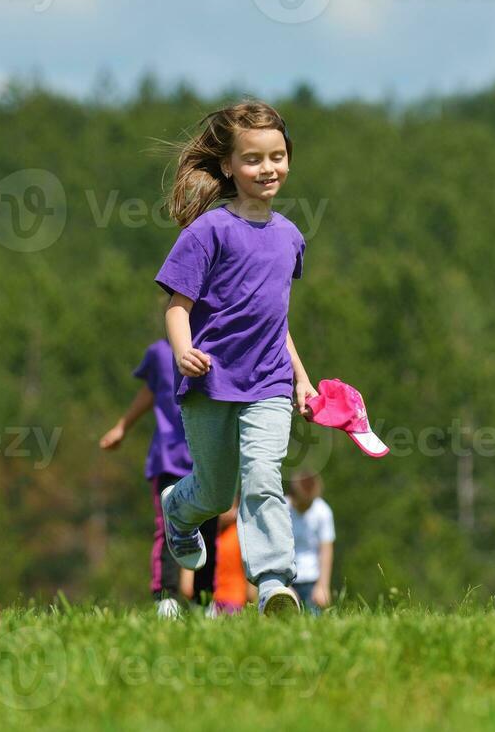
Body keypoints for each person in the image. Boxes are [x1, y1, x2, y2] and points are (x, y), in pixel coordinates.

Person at [154, 100, 317, 617]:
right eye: (253, 159)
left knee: (264, 473)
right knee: (215, 491)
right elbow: (177, 308)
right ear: (228, 166)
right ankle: (178, 510)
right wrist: (184, 352)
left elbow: (276, 321)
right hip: (210, 384)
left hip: (268, 382)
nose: (267, 168)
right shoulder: (207, 232)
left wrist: (302, 382)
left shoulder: (291, 237)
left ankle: (272, 582)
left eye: (277, 156)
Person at [101, 336, 219, 617]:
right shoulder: (159, 353)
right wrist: (122, 427)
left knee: (209, 530)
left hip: (208, 456)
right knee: (168, 526)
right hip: (170, 457)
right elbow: (151, 390)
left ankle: (204, 601)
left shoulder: (215, 344)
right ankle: (167, 597)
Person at [287, 470, 335, 614]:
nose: (307, 507)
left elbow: (326, 550)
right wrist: (283, 585)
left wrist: (323, 585)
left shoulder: (323, 511)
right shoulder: (282, 508)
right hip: (287, 579)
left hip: (311, 581)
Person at [210, 504, 253, 615]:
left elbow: (249, 568)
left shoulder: (239, 535)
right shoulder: (212, 535)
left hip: (235, 600)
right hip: (214, 599)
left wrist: (251, 596)